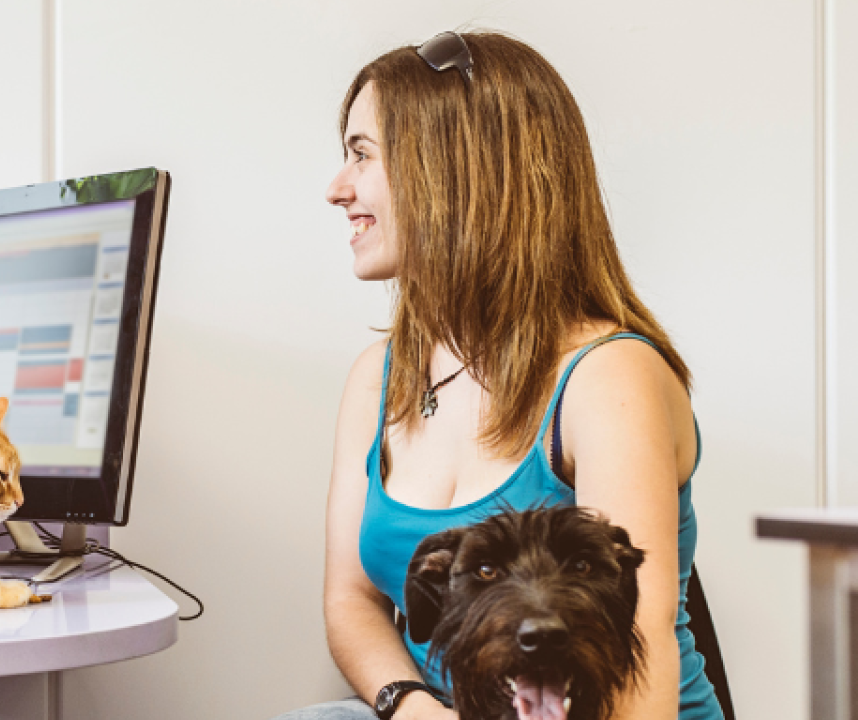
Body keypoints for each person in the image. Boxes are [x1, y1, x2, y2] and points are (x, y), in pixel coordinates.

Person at [274, 31, 724, 720]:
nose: (337, 189)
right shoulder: (380, 377)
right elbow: (351, 601)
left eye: (362, 154)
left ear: (455, 167)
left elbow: (641, 649)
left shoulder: (608, 378)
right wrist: (415, 708)